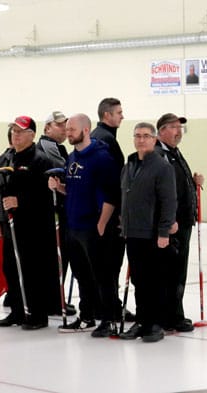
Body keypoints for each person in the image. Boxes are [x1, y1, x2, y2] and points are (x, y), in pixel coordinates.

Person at [49, 113, 120, 336]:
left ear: (86, 130)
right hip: (74, 226)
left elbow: (111, 195)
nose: (67, 133)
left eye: (71, 129)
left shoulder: (102, 158)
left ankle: (109, 319)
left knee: (102, 276)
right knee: (82, 275)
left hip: (94, 227)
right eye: (67, 129)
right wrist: (58, 188)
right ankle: (86, 316)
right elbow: (74, 190)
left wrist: (101, 224)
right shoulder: (72, 158)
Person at [0, 116, 58, 330]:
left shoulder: (41, 161)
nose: (15, 135)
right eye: (13, 131)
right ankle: (17, 312)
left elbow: (48, 197)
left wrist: (21, 201)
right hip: (10, 227)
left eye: (20, 131)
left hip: (34, 228)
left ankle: (37, 314)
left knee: (32, 270)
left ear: (32, 135)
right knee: (11, 268)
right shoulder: (5, 159)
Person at [118, 123, 177, 343]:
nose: (141, 140)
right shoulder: (130, 164)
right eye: (138, 136)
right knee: (138, 281)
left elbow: (168, 201)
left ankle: (155, 324)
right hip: (132, 233)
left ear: (154, 140)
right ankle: (142, 321)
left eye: (146, 136)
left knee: (154, 281)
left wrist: (164, 231)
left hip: (153, 234)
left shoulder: (162, 167)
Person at [155, 113, 203, 332]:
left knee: (177, 271)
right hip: (172, 224)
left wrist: (192, 184)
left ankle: (175, 314)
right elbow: (161, 192)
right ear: (162, 130)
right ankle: (170, 317)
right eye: (173, 127)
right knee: (170, 272)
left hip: (183, 222)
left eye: (180, 128)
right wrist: (168, 221)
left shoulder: (173, 153)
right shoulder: (159, 155)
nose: (178, 132)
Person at [90, 98, 130, 320]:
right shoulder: (104, 140)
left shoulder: (100, 137)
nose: (122, 116)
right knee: (110, 263)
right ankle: (110, 308)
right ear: (107, 115)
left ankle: (105, 306)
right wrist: (115, 215)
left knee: (104, 264)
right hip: (107, 212)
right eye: (119, 112)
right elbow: (112, 183)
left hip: (99, 211)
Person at [38, 110, 74, 317]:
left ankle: (55, 298)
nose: (64, 129)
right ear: (48, 128)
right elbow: (65, 171)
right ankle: (53, 300)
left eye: (66, 125)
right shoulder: (48, 148)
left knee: (61, 256)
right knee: (57, 256)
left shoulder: (58, 147)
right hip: (53, 210)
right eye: (60, 125)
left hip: (59, 208)